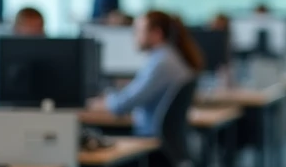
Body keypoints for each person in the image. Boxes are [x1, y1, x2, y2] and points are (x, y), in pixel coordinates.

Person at [86, 10, 203, 138]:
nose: (134, 36)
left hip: (150, 137)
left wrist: (101, 102)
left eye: (139, 30)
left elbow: (125, 103)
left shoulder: (161, 63)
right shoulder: (166, 56)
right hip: (159, 136)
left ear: (156, 34)